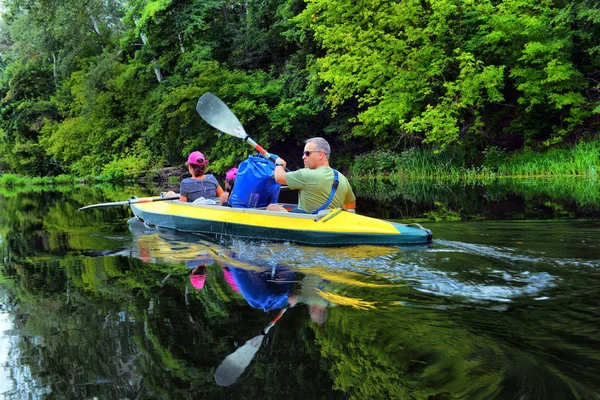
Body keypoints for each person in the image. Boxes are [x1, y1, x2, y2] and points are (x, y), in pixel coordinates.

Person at [266, 137, 356, 213]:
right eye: (304, 153)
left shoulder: (306, 173)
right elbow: (350, 206)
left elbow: (279, 177)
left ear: (321, 155)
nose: (303, 157)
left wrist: (278, 164)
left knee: (272, 207)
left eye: (307, 153)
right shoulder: (342, 178)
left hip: (308, 223)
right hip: (329, 223)